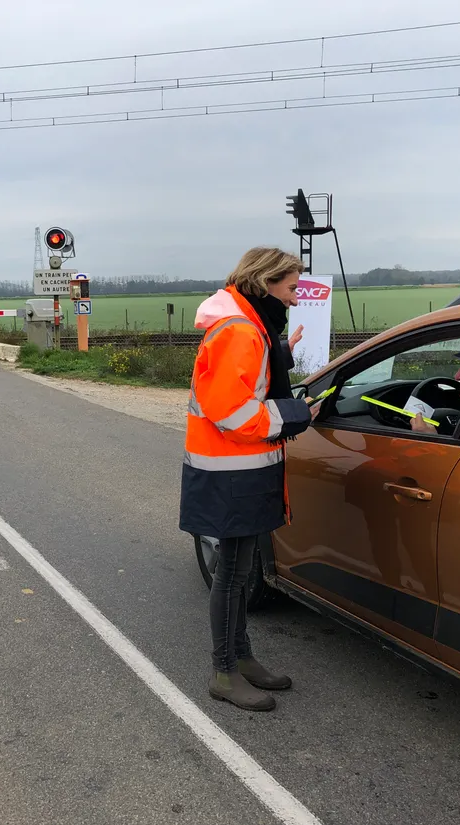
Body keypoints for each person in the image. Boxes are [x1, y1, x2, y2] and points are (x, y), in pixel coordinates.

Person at [180, 247, 317, 712]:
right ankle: (224, 671)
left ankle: (242, 657)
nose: (296, 298)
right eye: (292, 287)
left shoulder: (248, 325)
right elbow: (232, 412)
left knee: (237, 574)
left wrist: (280, 355)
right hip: (231, 473)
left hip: (238, 470)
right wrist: (299, 411)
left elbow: (243, 386)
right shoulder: (241, 330)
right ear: (265, 283)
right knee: (232, 577)